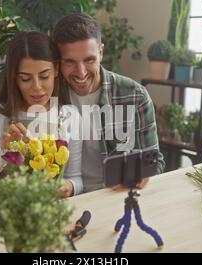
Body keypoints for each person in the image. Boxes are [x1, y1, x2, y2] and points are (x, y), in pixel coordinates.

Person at [0, 31, 83, 200]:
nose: (37, 87)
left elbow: (76, 178)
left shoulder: (71, 116)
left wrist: (70, 187)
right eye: (26, 79)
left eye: (44, 76)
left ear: (56, 70)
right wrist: (2, 151)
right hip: (4, 220)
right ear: (14, 79)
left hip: (52, 218)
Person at [52, 13, 165, 193]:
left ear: (101, 52)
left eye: (89, 60)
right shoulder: (48, 95)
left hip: (115, 198)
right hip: (64, 199)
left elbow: (154, 162)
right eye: (70, 62)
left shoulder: (135, 96)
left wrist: (143, 174)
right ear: (58, 61)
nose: (81, 73)